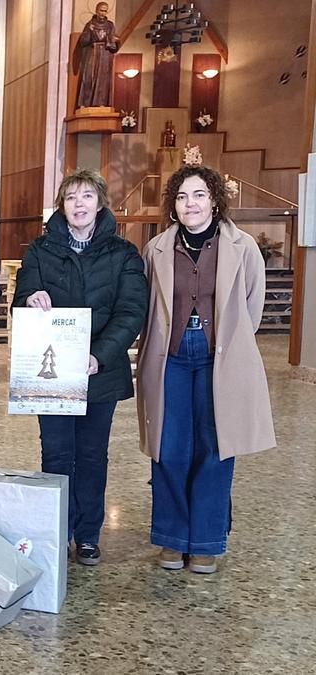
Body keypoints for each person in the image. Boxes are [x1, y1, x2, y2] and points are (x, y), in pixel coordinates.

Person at [137, 165, 275, 574]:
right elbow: (148, 307)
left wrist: (228, 345)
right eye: (181, 197)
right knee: (170, 447)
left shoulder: (243, 246)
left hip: (221, 356)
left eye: (198, 195)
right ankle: (173, 539)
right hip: (171, 355)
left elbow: (252, 307)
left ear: (214, 200)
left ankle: (207, 543)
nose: (190, 204)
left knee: (215, 448)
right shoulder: (157, 248)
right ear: (173, 206)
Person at [13, 168, 146, 566]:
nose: (79, 204)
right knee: (55, 455)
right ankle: (58, 530)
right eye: (71, 197)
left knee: (91, 455)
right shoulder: (39, 250)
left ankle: (88, 534)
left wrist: (99, 355)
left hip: (98, 372)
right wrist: (30, 298)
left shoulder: (123, 254)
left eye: (87, 196)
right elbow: (23, 298)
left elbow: (131, 311)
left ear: (101, 203)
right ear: (62, 205)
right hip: (51, 373)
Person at [74, 1, 119, 109]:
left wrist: (111, 40)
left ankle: (101, 103)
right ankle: (85, 103)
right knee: (89, 76)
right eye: (101, 10)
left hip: (105, 53)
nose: (103, 13)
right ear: (96, 11)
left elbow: (113, 41)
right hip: (92, 52)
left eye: (105, 11)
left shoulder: (110, 25)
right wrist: (90, 33)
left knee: (103, 78)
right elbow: (83, 41)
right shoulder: (90, 24)